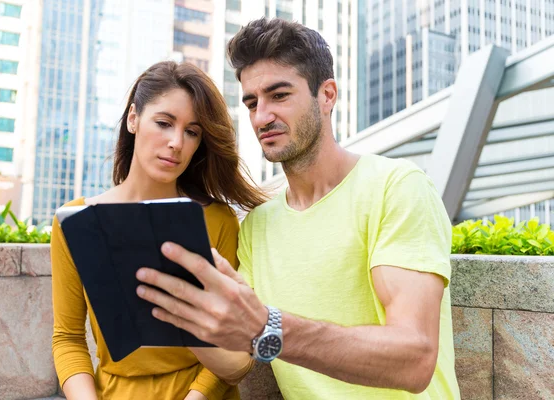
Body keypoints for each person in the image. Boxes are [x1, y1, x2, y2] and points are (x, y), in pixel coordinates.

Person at [135, 18, 461, 400]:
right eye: (252, 102)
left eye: (279, 95)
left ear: (327, 95)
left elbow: (415, 358)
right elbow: (238, 357)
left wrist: (267, 326)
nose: (261, 117)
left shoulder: (396, 187)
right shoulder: (258, 225)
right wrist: (178, 311)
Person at [51, 61, 264, 400]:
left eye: (192, 132)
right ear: (133, 118)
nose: (176, 142)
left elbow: (234, 345)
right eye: (164, 123)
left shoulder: (218, 219)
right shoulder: (78, 220)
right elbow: (68, 338)